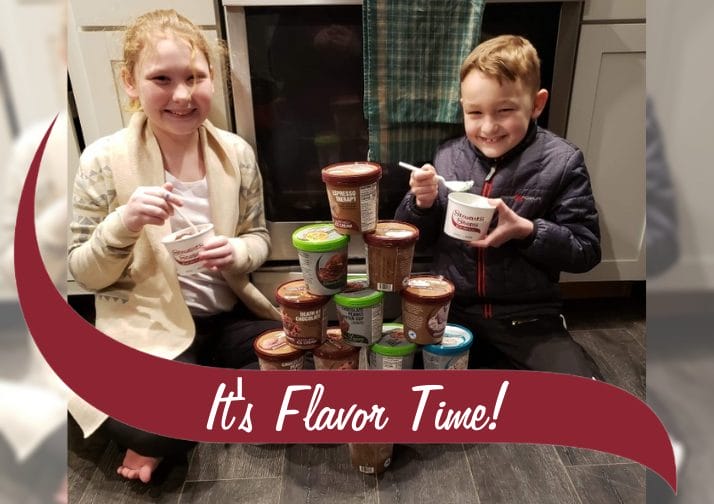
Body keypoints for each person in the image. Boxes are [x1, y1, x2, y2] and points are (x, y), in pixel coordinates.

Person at [67, 9, 281, 484]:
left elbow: (259, 238)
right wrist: (123, 224)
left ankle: (189, 398)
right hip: (148, 330)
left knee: (302, 359)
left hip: (226, 321)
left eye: (194, 77)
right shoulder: (103, 161)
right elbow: (85, 273)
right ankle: (186, 408)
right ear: (129, 83)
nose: (182, 95)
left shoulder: (236, 154)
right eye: (161, 79)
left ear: (212, 78)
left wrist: (237, 252)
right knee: (150, 433)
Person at [395, 35, 602, 379]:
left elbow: (586, 251)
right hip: (449, 309)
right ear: (461, 106)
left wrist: (527, 232)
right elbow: (412, 238)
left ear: (536, 104)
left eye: (505, 111)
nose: (488, 127)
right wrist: (421, 203)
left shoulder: (562, 162)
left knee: (589, 399)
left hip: (528, 316)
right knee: (388, 371)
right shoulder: (448, 156)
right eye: (474, 112)